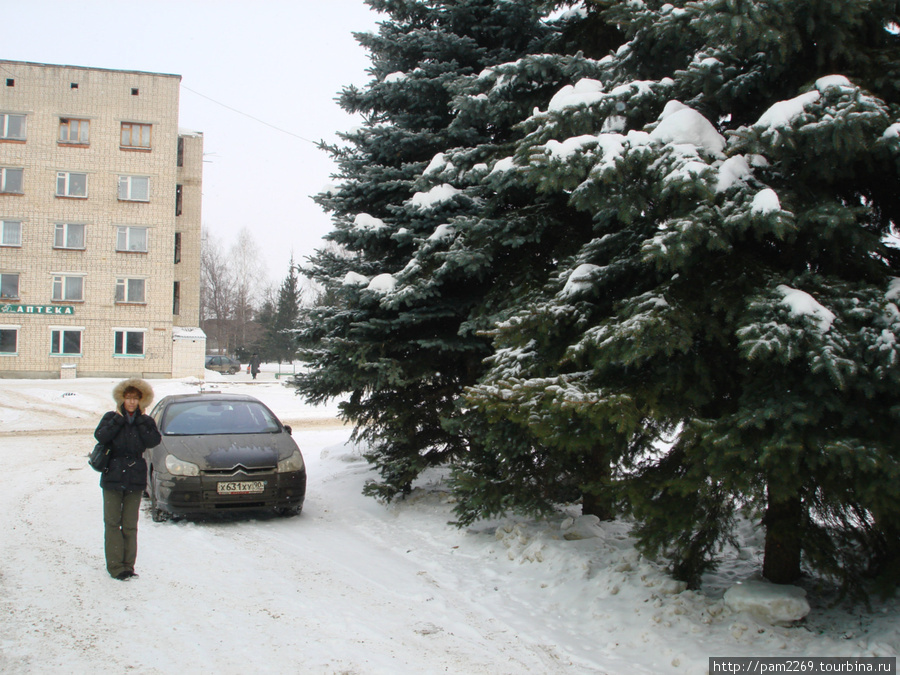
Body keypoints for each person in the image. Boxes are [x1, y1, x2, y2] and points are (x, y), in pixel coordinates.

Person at [93, 378, 161, 580]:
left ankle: (128, 566)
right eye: (128, 398)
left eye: (135, 399)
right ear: (121, 399)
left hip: (135, 477)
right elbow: (101, 436)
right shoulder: (111, 417)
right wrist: (118, 419)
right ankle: (115, 566)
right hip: (112, 475)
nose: (131, 402)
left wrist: (140, 420)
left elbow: (153, 440)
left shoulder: (146, 421)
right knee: (112, 522)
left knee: (130, 524)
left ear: (142, 400)